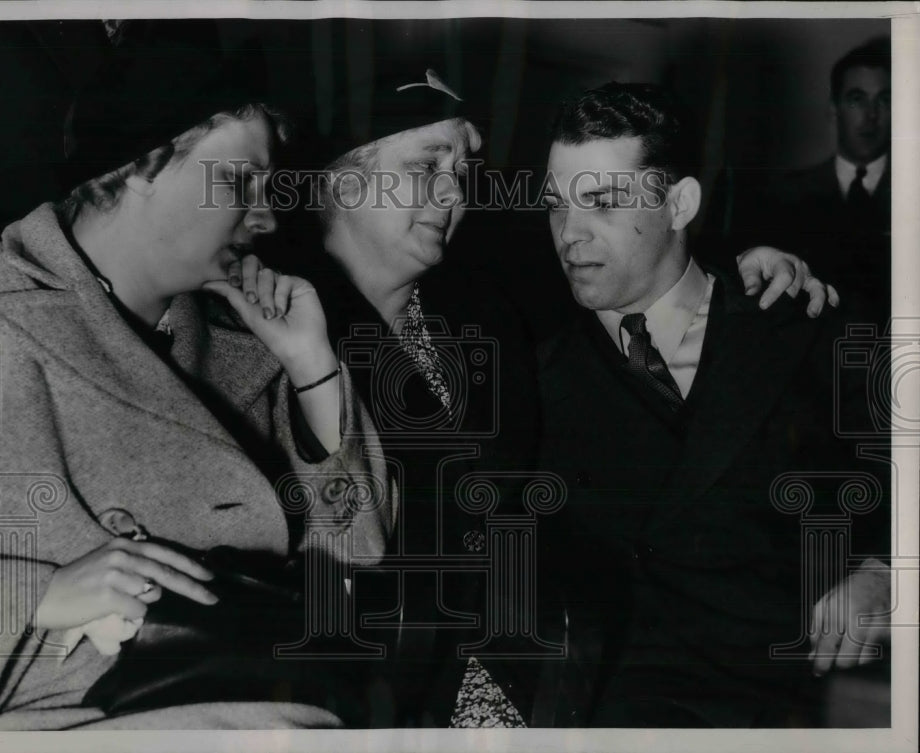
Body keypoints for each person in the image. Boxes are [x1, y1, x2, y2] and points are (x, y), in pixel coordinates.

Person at [249, 68, 842, 727]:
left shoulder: (487, 308)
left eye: (463, 168)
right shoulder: (271, 322)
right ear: (341, 179)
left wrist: (755, 264)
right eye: (427, 167)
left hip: (539, 675)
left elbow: (643, 274)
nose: (455, 192)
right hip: (351, 688)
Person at [0, 33, 392, 731]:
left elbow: (354, 557)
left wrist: (312, 366)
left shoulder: (248, 351)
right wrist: (34, 593)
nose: (267, 215)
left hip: (253, 692)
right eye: (240, 180)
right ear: (140, 163)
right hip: (57, 710)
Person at [537, 82, 890, 727]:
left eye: (601, 203)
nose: (570, 234)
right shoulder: (535, 366)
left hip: (773, 710)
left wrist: (887, 572)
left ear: (680, 204)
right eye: (556, 205)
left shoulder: (805, 325)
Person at [730, 37, 891, 324]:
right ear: (834, 107)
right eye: (857, 99)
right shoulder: (781, 195)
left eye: (884, 100)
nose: (872, 115)